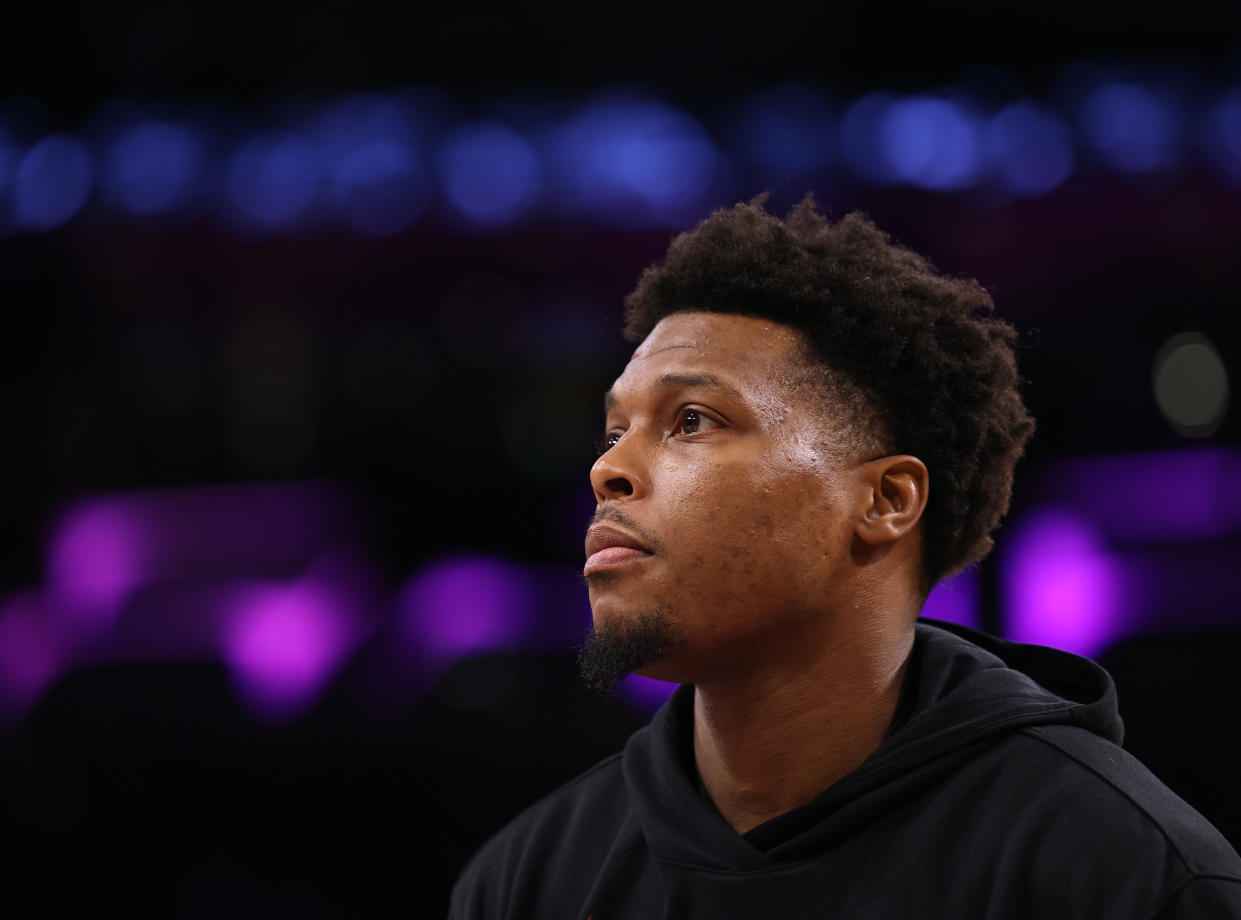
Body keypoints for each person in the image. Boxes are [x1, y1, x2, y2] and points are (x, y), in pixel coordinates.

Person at [448, 194, 1241, 917]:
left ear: (884, 501)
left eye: (691, 420)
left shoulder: (1124, 874)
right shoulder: (525, 881)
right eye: (614, 430)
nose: (606, 469)